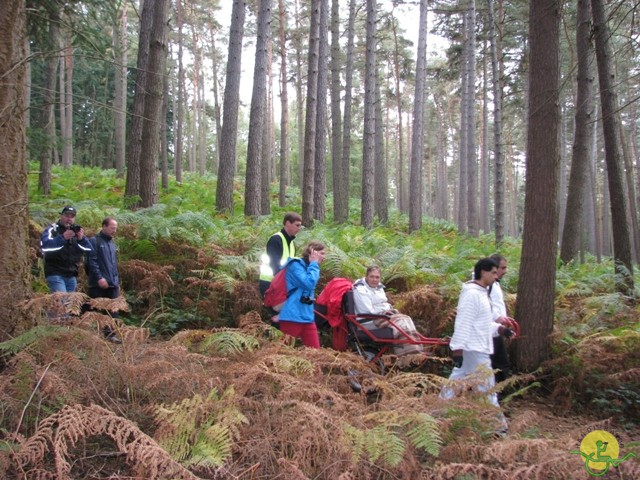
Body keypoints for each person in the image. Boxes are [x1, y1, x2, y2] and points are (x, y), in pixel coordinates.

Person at [440, 257, 515, 435]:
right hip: (474, 348)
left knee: (456, 381)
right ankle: (498, 427)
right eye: (494, 273)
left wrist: (501, 330)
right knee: (488, 388)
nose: (496, 277)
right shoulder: (472, 293)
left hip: (478, 346)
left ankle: (437, 413)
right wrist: (457, 349)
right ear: (483, 272)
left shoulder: (482, 293)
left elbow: (482, 323)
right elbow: (463, 322)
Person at [352, 266, 423, 356]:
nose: (374, 279)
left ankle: (415, 351)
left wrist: (383, 308)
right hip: (367, 321)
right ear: (366, 276)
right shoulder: (360, 289)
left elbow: (384, 303)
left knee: (406, 318)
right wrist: (384, 308)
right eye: (372, 276)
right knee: (401, 322)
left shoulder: (379, 287)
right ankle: (407, 355)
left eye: (377, 277)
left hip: (379, 316)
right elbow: (368, 311)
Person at [277, 241, 326, 348]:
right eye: (321, 253)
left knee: (315, 353)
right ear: (312, 254)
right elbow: (308, 283)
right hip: (292, 316)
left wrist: (313, 265)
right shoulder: (295, 265)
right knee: (283, 354)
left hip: (307, 316)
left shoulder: (310, 267)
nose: (324, 257)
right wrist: (314, 264)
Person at [86, 217, 122, 344]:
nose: (114, 231)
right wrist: (99, 278)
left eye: (115, 228)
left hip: (112, 283)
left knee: (113, 310)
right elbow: (92, 262)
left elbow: (113, 265)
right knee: (96, 309)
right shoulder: (94, 241)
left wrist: (116, 282)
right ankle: (90, 335)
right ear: (104, 227)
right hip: (98, 284)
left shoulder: (112, 244)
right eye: (112, 228)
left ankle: (111, 335)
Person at [41, 206, 93, 293]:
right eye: (67, 215)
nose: (69, 219)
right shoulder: (52, 229)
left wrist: (81, 239)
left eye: (72, 216)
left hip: (71, 275)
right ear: (61, 216)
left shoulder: (76, 231)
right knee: (62, 302)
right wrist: (63, 238)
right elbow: (45, 246)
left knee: (70, 305)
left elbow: (89, 250)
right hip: (55, 273)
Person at [258, 212, 303, 297]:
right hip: (270, 283)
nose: (299, 228)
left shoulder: (292, 243)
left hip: (281, 284)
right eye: (297, 225)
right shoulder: (276, 239)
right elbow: (274, 264)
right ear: (287, 223)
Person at [489, 253, 515, 383]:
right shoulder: (487, 285)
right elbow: (486, 306)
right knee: (500, 364)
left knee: (497, 364)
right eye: (503, 268)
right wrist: (499, 318)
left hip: (496, 331)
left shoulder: (494, 284)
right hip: (490, 331)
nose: (505, 271)